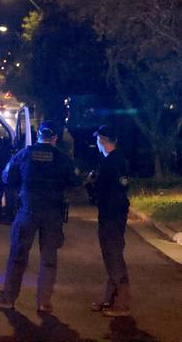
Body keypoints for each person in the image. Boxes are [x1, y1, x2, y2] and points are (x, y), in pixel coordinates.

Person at [0, 120, 78, 313]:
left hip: (27, 211)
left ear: (38, 135)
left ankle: (8, 298)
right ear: (54, 138)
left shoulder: (24, 154)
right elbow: (74, 181)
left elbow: (7, 177)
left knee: (18, 256)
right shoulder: (62, 158)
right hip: (53, 213)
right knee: (49, 257)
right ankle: (44, 302)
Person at [85, 125, 131, 317]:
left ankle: (122, 303)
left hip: (111, 215)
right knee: (112, 255)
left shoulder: (109, 163)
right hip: (116, 213)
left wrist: (90, 184)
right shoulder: (119, 161)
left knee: (113, 256)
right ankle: (110, 299)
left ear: (102, 141)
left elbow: (102, 191)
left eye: (98, 140)